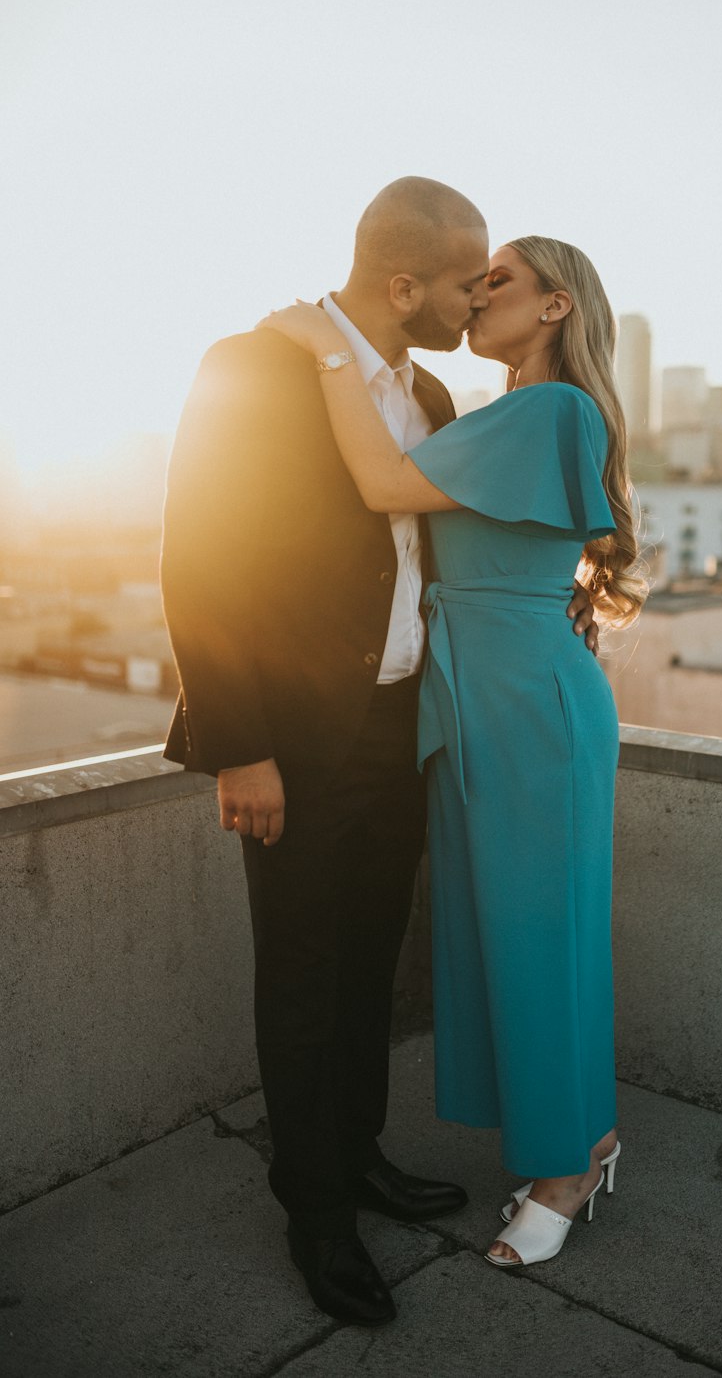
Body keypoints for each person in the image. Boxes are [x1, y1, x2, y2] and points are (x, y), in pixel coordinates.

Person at [159, 179, 599, 1326]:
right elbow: (200, 562)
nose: (472, 302)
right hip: (294, 745)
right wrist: (239, 750)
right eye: (466, 282)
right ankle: (314, 1210)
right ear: (406, 282)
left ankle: (354, 1156)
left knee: (364, 971)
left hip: (405, 733)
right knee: (302, 975)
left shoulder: (441, 393)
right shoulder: (251, 366)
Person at [261, 233, 646, 1269]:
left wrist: (325, 347)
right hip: (482, 700)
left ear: (555, 306)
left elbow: (383, 486)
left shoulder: (549, 408)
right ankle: (572, 1137)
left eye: (501, 280)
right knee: (507, 938)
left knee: (544, 937)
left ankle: (574, 1162)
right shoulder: (498, 413)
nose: (479, 295)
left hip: (526, 707)